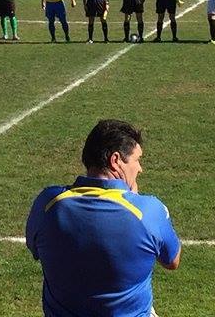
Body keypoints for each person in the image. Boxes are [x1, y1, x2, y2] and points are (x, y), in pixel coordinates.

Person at [26, 119, 181, 317]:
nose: (140, 168)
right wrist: (135, 199)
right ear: (115, 160)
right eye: (136, 160)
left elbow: (34, 248)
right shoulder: (148, 211)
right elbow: (172, 261)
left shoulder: (47, 204)